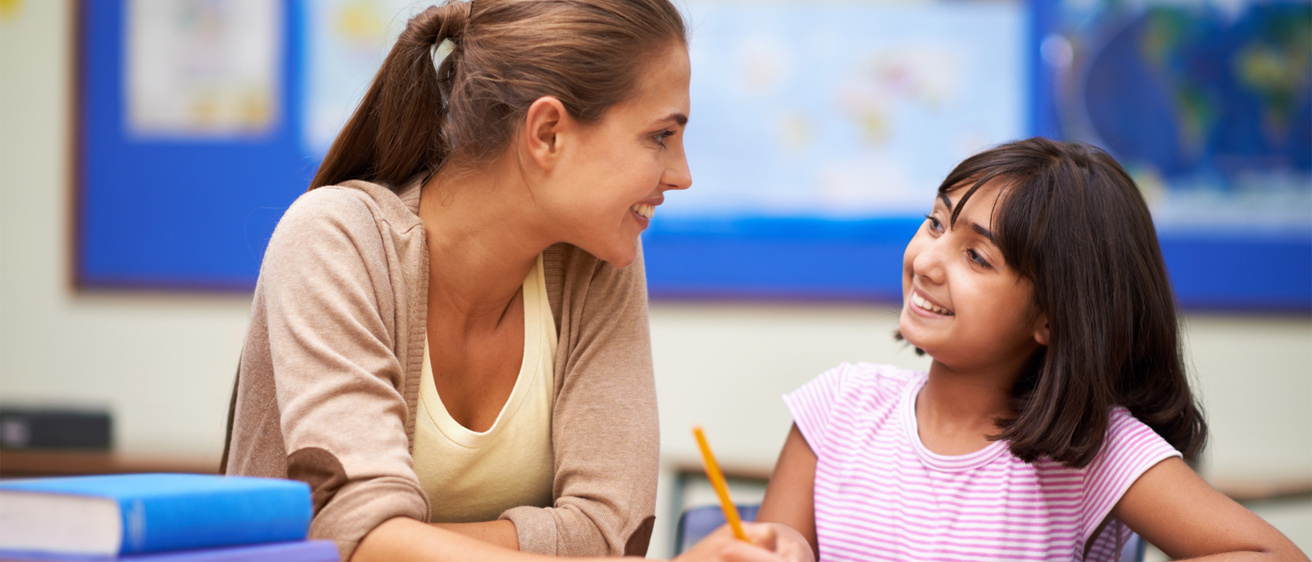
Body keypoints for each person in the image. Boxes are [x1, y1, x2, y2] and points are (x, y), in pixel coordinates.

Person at [220, 1, 788, 561]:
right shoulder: (335, 241)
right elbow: (356, 538)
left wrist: (398, 538)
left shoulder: (598, 260)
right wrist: (374, 538)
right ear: (547, 134)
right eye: (661, 135)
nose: (682, 175)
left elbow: (613, 535)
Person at [753, 138, 1308, 561]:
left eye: (977, 256)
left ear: (1052, 315)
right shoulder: (839, 407)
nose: (925, 262)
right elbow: (767, 548)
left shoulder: (1092, 449)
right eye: (936, 223)